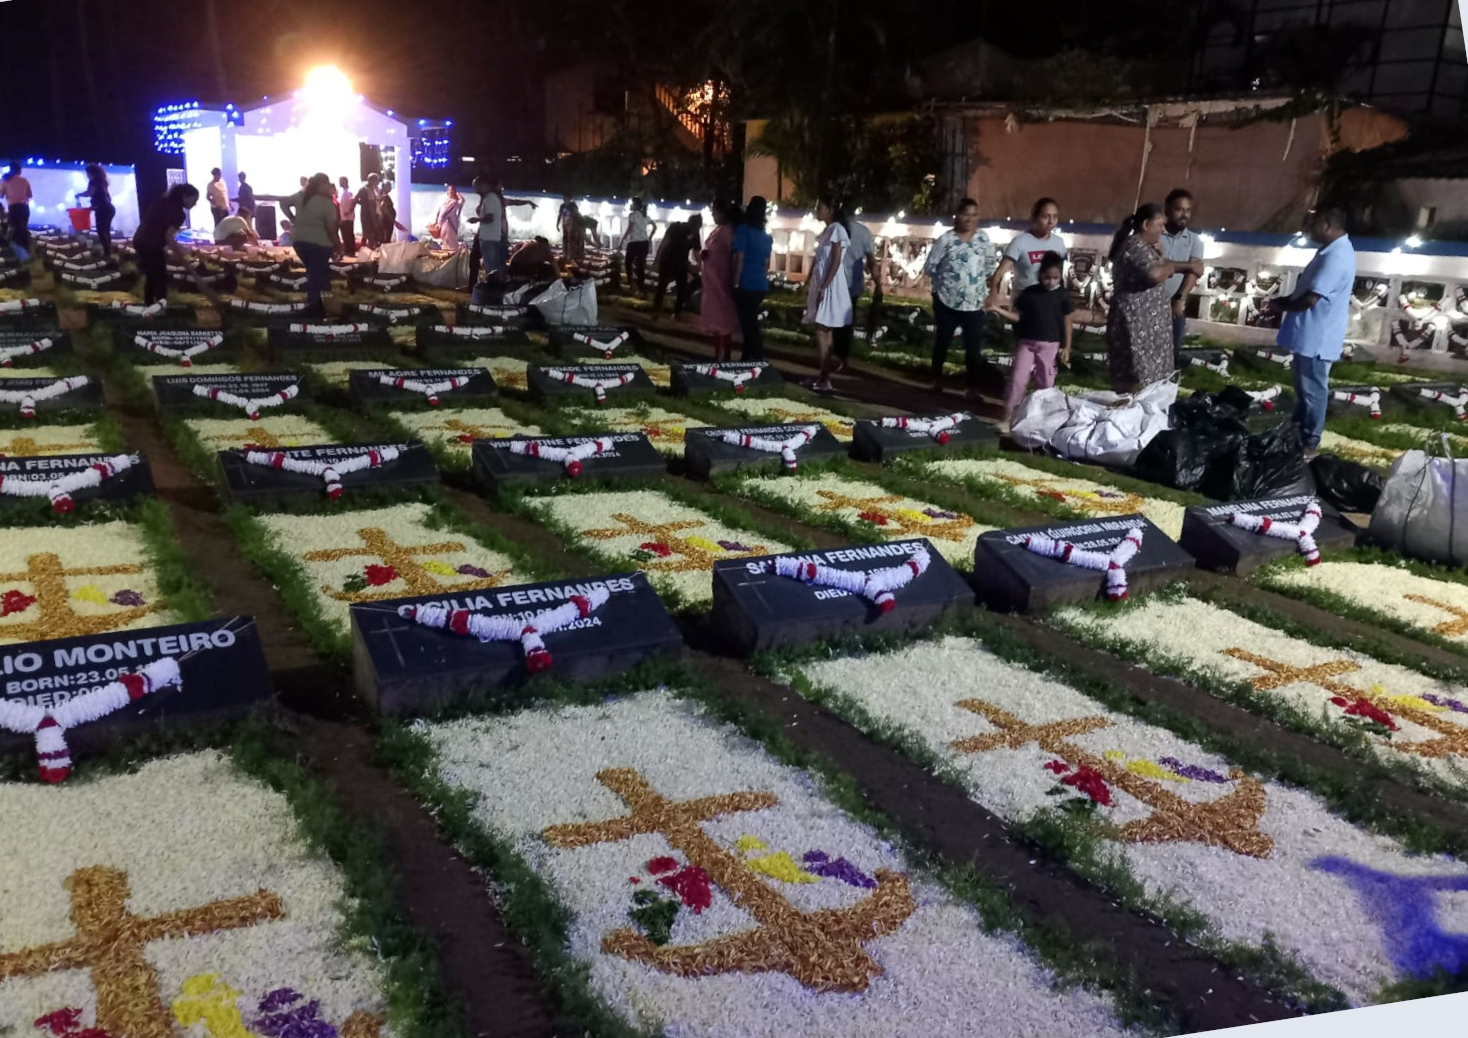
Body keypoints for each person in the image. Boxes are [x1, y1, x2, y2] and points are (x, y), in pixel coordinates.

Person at [1266, 205, 1356, 460]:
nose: (1310, 229)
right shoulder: (1331, 251)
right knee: (1306, 391)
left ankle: (1309, 442)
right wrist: (1284, 300)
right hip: (1310, 335)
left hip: (1317, 337)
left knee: (1313, 392)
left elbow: (1311, 299)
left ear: (1327, 225)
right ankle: (1296, 435)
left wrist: (1281, 305)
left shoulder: (1336, 257)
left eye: (1315, 224)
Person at [1105, 203, 1203, 393]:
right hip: (1134, 326)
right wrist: (1180, 266)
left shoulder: (1145, 247)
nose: (1162, 230)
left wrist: (1178, 264)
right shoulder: (1134, 245)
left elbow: (1162, 266)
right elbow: (1155, 274)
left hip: (1145, 328)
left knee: (1149, 384)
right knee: (1134, 382)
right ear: (1146, 225)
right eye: (1159, 225)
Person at [986, 252, 1073, 431]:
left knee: (1045, 385)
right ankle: (1008, 417)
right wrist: (996, 309)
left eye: (1055, 278)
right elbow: (1019, 317)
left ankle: (1040, 422)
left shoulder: (1063, 296)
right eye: (1047, 277)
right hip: (1027, 343)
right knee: (1017, 380)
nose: (1051, 281)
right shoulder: (1030, 293)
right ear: (1040, 274)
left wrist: (1067, 346)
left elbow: (1067, 322)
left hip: (1050, 346)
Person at [924, 197, 997, 398]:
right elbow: (930, 266)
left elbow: (991, 266)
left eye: (975, 215)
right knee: (943, 341)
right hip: (946, 301)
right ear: (958, 215)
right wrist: (940, 287)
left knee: (973, 347)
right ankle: (936, 380)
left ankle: (972, 388)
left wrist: (987, 292)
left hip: (975, 303)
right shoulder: (946, 240)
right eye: (966, 214)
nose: (970, 219)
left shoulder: (983, 240)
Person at [802, 195, 853, 394]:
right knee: (826, 330)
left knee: (822, 329)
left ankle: (824, 377)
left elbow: (836, 260)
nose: (817, 211)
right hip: (823, 283)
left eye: (820, 207)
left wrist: (824, 286)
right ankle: (823, 376)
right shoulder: (827, 231)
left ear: (830, 209)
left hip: (829, 285)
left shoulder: (837, 230)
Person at [281, 173, 340, 316]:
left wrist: (293, 218)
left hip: (300, 241)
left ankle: (323, 304)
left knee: (316, 272)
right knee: (317, 274)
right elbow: (332, 230)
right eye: (327, 183)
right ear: (322, 185)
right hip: (319, 243)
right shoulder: (327, 204)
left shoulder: (301, 197)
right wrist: (338, 245)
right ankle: (314, 306)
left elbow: (283, 203)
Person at [989, 197, 1065, 303]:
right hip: (1024, 308)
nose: (1051, 221)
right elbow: (999, 274)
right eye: (1045, 217)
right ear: (1035, 217)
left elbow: (1059, 276)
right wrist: (992, 300)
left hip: (1049, 306)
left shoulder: (1059, 243)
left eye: (1055, 216)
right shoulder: (1020, 242)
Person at [133, 184, 199, 306]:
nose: (194, 204)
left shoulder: (162, 201)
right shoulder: (179, 214)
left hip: (139, 240)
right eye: (194, 200)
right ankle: (160, 305)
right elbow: (169, 236)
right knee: (160, 277)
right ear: (185, 197)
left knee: (152, 275)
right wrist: (180, 255)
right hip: (151, 244)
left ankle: (149, 304)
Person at [1160, 188, 1205, 366]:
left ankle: (1166, 390)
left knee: (1172, 354)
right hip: (1148, 305)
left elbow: (1194, 273)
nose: (1184, 215)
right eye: (1179, 209)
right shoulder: (1155, 233)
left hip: (1174, 307)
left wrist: (1180, 297)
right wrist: (1187, 265)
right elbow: (1156, 265)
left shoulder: (1195, 241)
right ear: (1167, 210)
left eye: (1187, 210)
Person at [830, 210, 877, 374]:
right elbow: (872, 260)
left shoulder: (835, 228)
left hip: (836, 283)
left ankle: (834, 355)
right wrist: (877, 281)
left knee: (833, 321)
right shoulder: (864, 232)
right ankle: (843, 357)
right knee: (847, 322)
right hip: (854, 286)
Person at [468, 177, 537, 283]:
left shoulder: (494, 199)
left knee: (493, 262)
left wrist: (477, 219)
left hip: (495, 234)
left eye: (477, 187)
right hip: (492, 233)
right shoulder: (491, 199)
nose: (476, 190)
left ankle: (492, 285)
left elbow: (492, 217)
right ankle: (493, 283)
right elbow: (514, 202)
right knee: (495, 262)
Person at [731, 196, 773, 362]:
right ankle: (746, 359)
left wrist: (735, 282)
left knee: (748, 326)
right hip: (760, 284)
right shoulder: (766, 236)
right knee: (751, 322)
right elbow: (766, 263)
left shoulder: (743, 230)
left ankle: (758, 358)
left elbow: (739, 258)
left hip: (746, 283)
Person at [701, 198, 742, 362]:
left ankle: (725, 356)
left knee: (723, 321)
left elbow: (734, 255)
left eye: (714, 212)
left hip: (721, 282)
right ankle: (717, 354)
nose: (712, 215)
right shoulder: (718, 230)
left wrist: (734, 280)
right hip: (712, 282)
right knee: (716, 322)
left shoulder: (728, 231)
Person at [652, 214, 703, 317]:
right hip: (668, 260)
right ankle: (656, 310)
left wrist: (702, 265)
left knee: (682, 288)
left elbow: (696, 252)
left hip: (681, 262)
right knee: (662, 286)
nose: (696, 229)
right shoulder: (676, 227)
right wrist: (657, 260)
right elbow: (665, 243)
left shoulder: (695, 234)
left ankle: (676, 312)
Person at [76, 164, 115, 257]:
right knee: (106, 231)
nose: (87, 175)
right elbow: (106, 198)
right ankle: (108, 251)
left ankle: (107, 253)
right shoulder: (102, 181)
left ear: (91, 173)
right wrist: (93, 207)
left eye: (87, 173)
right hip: (109, 208)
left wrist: (78, 195)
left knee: (101, 231)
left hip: (103, 209)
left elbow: (90, 193)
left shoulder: (93, 182)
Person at [622, 198, 656, 294]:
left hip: (634, 243)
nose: (630, 205)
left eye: (631, 204)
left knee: (628, 262)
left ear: (636, 205)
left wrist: (622, 240)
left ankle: (631, 284)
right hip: (644, 243)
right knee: (641, 265)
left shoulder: (632, 215)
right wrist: (649, 237)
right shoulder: (645, 216)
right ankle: (641, 287)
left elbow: (630, 229)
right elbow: (655, 227)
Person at [2, 164, 33, 252]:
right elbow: (30, 195)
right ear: (19, 170)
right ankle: (25, 250)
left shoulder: (5, 180)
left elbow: (1, 194)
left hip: (13, 207)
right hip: (24, 207)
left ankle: (13, 250)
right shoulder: (25, 180)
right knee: (23, 228)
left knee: (14, 228)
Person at [433, 184, 464, 252]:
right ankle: (445, 253)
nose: (452, 191)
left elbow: (462, 200)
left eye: (453, 190)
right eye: (450, 190)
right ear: (448, 191)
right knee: (444, 240)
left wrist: (458, 195)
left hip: (450, 223)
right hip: (442, 223)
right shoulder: (444, 201)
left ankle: (453, 254)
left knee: (451, 240)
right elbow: (439, 211)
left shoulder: (456, 202)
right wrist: (436, 222)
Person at [357, 173, 381, 247]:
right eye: (376, 181)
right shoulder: (366, 189)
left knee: (369, 232)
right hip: (368, 215)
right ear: (371, 180)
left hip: (371, 214)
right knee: (369, 232)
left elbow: (356, 199)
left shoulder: (373, 189)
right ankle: (369, 248)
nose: (377, 182)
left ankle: (368, 247)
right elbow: (369, 204)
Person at [336, 176, 357, 256]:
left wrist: (349, 211)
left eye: (341, 181)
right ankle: (347, 250)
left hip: (348, 217)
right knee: (344, 234)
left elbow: (354, 202)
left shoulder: (349, 192)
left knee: (349, 234)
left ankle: (351, 251)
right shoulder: (341, 193)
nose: (340, 183)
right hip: (343, 217)